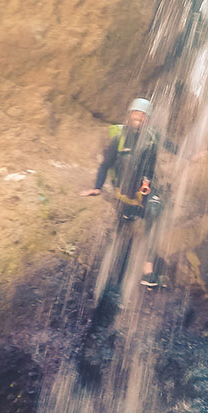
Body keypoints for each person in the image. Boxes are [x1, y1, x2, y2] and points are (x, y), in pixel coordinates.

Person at [81, 96, 172, 289]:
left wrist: (192, 156)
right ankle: (114, 278)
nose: (139, 117)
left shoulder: (153, 138)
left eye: (143, 115)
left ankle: (148, 269)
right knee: (125, 225)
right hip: (125, 194)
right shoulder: (119, 140)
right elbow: (105, 165)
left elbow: (172, 146)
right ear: (130, 115)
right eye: (136, 114)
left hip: (144, 191)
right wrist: (97, 188)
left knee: (156, 211)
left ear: (147, 119)